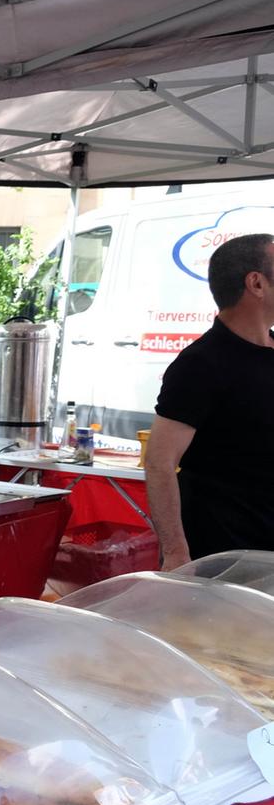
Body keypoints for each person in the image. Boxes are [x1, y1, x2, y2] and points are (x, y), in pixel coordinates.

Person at [148, 232, 274, 569]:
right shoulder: (201, 364)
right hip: (221, 556)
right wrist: (175, 551)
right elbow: (159, 463)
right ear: (256, 283)